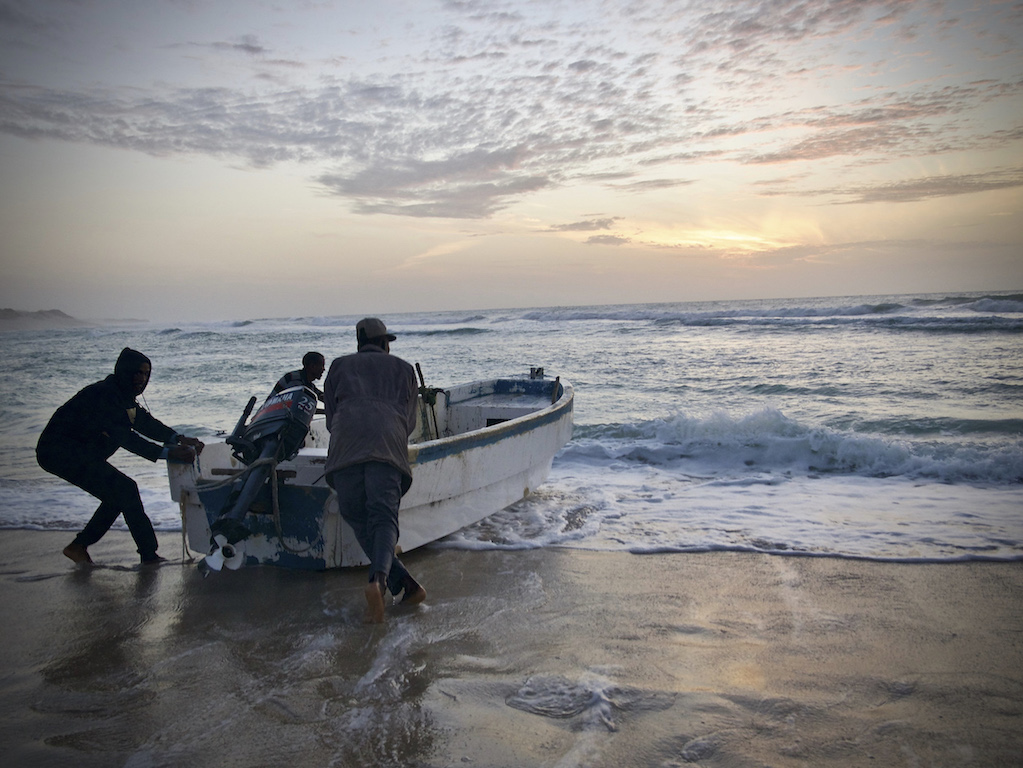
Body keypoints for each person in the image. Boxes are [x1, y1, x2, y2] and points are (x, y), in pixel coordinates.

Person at [36, 348, 205, 566]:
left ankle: (79, 547)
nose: (141, 379)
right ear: (123, 371)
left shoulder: (123, 397)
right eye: (136, 372)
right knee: (125, 490)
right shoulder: (104, 395)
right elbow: (125, 437)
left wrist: (178, 438)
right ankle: (149, 556)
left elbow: (144, 422)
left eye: (146, 374)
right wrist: (168, 453)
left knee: (118, 495)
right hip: (59, 452)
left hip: (80, 452)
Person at [323, 318, 426, 623]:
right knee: (383, 519)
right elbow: (410, 422)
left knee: (358, 517)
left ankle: (405, 585)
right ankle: (377, 582)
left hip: (345, 450)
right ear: (384, 343)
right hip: (386, 447)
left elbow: (331, 418)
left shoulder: (338, 367)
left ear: (358, 342)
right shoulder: (404, 369)